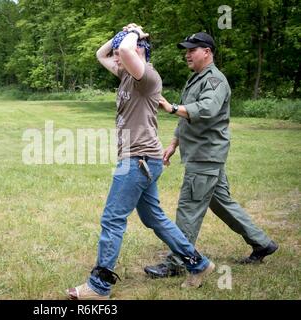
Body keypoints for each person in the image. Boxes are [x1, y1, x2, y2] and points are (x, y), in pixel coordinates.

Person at [65, 25, 215, 301]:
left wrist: (135, 33)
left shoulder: (148, 78)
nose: (118, 57)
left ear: (140, 51)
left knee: (112, 218)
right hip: (141, 159)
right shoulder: (126, 75)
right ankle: (198, 264)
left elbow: (124, 50)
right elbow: (102, 54)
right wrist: (122, 35)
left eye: (126, 52)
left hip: (139, 159)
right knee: (153, 217)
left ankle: (99, 286)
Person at [144, 32, 279, 279]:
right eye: (186, 50)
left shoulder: (215, 80)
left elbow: (206, 109)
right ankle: (262, 243)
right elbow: (188, 117)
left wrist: (172, 108)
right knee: (221, 203)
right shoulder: (196, 78)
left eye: (192, 50)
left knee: (188, 208)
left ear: (207, 51)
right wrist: (174, 143)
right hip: (202, 154)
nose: (187, 54)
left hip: (205, 156)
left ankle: (177, 261)